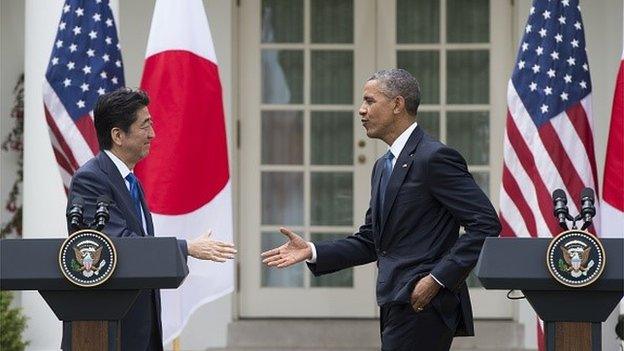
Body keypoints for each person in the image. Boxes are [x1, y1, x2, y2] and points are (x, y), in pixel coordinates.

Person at [262, 69, 501, 351]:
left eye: (370, 101)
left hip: (424, 302)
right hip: (394, 301)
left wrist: (437, 279)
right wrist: (312, 251)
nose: (361, 111)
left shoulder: (434, 158)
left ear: (397, 105)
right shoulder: (382, 166)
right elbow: (371, 240)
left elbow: (485, 224)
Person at [63, 88, 236, 351]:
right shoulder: (91, 180)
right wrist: (187, 247)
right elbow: (117, 245)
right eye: (145, 126)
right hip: (109, 330)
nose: (153, 134)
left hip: (143, 327)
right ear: (118, 135)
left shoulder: (132, 182)